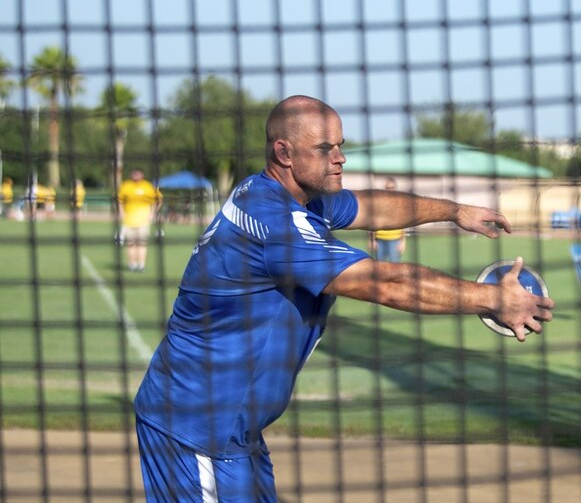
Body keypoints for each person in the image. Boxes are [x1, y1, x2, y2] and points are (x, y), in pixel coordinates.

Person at [133, 95, 555, 501]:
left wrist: (454, 211)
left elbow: (372, 207)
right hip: (195, 427)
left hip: (231, 427)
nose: (340, 158)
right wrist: (491, 299)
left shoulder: (297, 197)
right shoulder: (276, 223)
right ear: (284, 153)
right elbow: (387, 284)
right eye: (325, 148)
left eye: (341, 146)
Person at [117, 169, 162, 272]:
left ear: (142, 175)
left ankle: (141, 265)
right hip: (129, 221)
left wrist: (153, 212)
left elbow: (159, 200)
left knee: (141, 244)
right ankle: (132, 264)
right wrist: (121, 212)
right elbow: (119, 200)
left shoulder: (148, 187)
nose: (136, 175)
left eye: (138, 173)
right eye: (134, 173)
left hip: (143, 221)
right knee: (131, 244)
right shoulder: (126, 186)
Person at [369, 177, 406, 262]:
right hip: (380, 241)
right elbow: (373, 222)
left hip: (395, 240)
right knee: (380, 268)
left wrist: (403, 242)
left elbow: (403, 222)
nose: (390, 190)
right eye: (387, 188)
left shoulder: (400, 204)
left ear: (395, 189)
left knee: (395, 267)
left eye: (392, 188)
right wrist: (372, 240)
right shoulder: (378, 203)